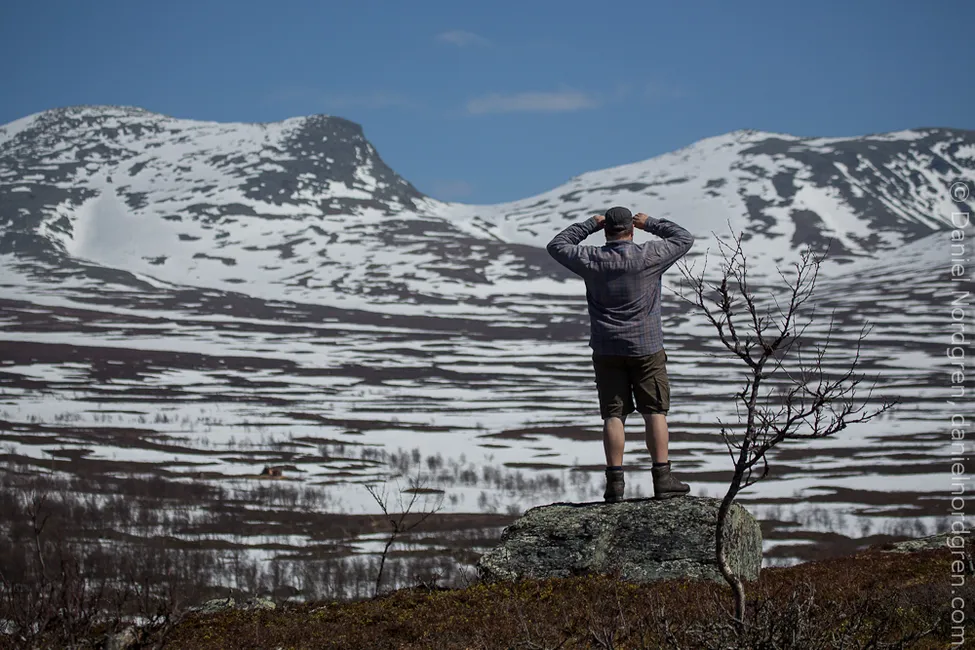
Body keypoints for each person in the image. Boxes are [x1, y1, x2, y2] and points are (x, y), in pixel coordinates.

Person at [546, 206, 695, 502]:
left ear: (606, 230)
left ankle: (615, 485)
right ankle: (662, 479)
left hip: (606, 347)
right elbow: (684, 238)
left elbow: (557, 245)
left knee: (614, 414)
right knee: (654, 410)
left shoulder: (591, 259)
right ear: (632, 229)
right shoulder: (648, 256)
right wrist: (651, 222)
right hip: (646, 346)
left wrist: (589, 224)